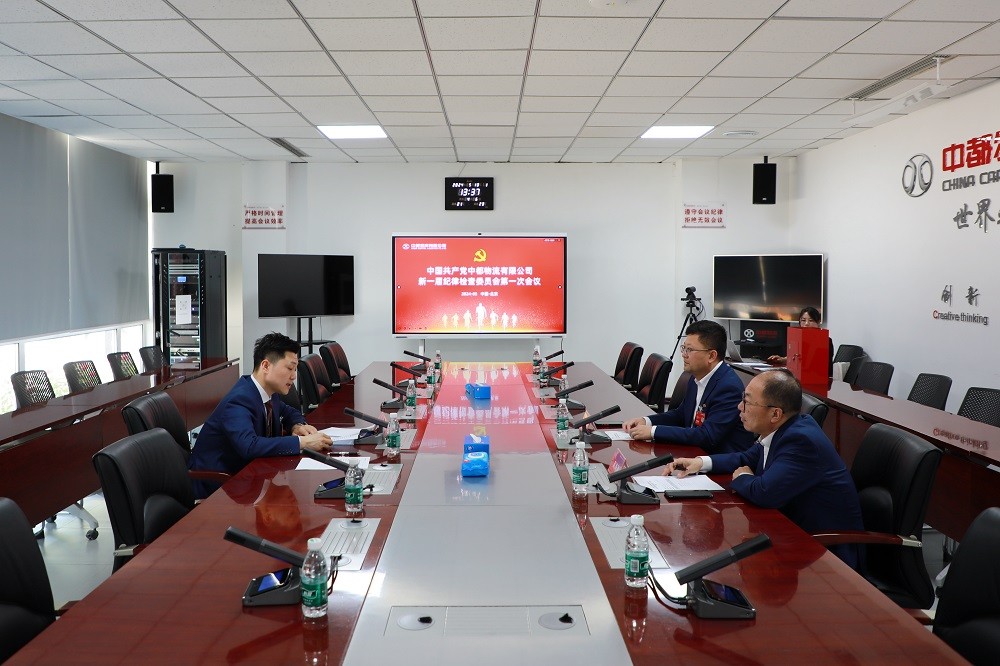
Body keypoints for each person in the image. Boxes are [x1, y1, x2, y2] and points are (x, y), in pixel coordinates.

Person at [664, 369, 863, 568]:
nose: (739, 407)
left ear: (775, 414)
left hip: (827, 555)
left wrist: (742, 476)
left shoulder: (801, 441)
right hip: (790, 533)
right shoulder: (782, 430)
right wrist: (700, 462)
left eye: (747, 402)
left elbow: (764, 492)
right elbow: (745, 458)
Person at [188, 332, 332, 497]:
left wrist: (297, 426)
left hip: (249, 479)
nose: (294, 376)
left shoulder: (268, 393)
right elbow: (249, 446)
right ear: (266, 366)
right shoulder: (239, 400)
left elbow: (289, 412)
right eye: (290, 368)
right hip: (219, 488)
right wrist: (302, 442)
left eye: (295, 369)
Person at [623, 320, 755, 453]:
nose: (684, 354)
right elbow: (681, 415)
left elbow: (707, 436)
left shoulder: (728, 388)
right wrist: (646, 421)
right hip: (694, 452)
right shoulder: (697, 377)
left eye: (690, 350)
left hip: (718, 460)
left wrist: (653, 432)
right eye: (684, 348)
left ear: (711, 356)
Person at [768, 306, 834, 376]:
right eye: (803, 320)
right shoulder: (798, 339)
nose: (806, 323)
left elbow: (814, 363)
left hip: (817, 376)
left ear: (818, 322)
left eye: (811, 320)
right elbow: (797, 357)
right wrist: (782, 359)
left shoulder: (826, 340)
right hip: (799, 375)